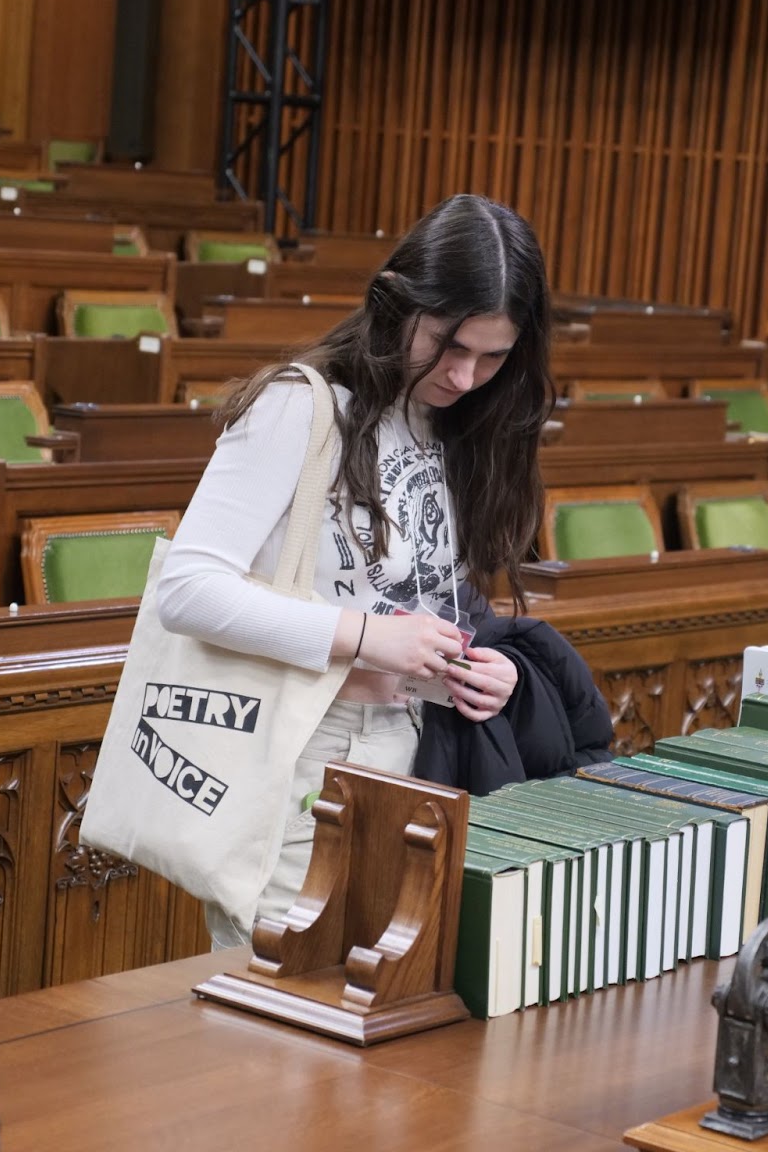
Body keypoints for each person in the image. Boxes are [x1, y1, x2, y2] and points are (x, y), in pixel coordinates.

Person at [155, 194, 553, 947]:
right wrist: (366, 637)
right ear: (398, 303)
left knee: (374, 1034)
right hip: (302, 751)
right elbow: (188, 589)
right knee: (271, 1027)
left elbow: (430, 600)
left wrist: (477, 666)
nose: (467, 376)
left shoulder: (461, 426)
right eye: (449, 345)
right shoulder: (300, 409)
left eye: (493, 357)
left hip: (417, 750)